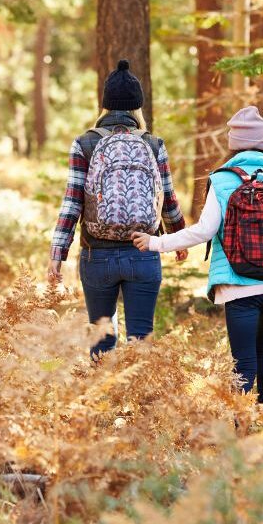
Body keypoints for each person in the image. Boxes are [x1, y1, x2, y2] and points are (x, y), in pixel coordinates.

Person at [133, 106, 263, 404]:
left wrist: (156, 243)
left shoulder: (222, 180)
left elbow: (204, 231)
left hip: (239, 284)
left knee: (243, 360)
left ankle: (241, 429)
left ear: (233, 144)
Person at [48, 59, 187, 357]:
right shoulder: (153, 143)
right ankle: (137, 401)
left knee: (101, 340)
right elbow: (168, 198)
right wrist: (178, 239)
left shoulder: (85, 143)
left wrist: (57, 254)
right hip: (143, 251)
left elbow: (72, 204)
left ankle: (103, 401)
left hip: (97, 254)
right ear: (138, 106)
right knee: (140, 343)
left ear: (105, 105)